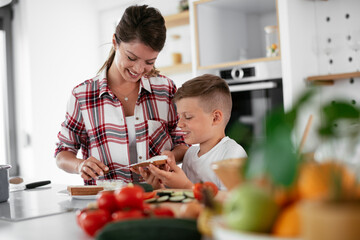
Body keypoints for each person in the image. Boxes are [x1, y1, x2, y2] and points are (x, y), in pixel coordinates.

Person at [54, 5, 188, 185]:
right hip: (106, 202)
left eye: (149, 62)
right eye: (131, 58)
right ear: (115, 42)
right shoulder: (83, 96)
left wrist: (171, 155)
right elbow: (62, 153)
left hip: (159, 197)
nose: (139, 69)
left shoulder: (166, 89)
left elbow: (183, 142)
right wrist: (80, 165)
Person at [132, 74, 247, 190]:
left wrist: (186, 186)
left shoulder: (233, 155)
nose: (179, 124)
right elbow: (185, 201)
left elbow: (233, 204)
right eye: (179, 117)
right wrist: (159, 186)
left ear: (215, 118)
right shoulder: (189, 155)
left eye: (188, 117)